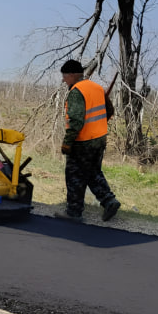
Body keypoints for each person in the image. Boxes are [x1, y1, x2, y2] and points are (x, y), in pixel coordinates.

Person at [57, 60, 121, 222]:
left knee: (74, 176)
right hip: (99, 140)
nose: (64, 80)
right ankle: (109, 201)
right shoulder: (96, 87)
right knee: (92, 173)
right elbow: (110, 110)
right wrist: (97, 127)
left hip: (82, 142)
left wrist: (68, 142)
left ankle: (74, 212)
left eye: (65, 76)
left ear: (72, 74)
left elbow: (76, 120)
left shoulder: (77, 92)